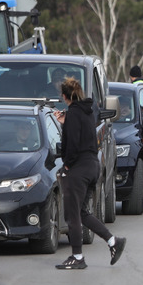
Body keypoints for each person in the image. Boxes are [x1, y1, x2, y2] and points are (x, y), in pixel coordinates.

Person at [54, 77, 126, 269]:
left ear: (64, 96)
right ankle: (113, 242)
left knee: (72, 215)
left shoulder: (73, 114)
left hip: (79, 169)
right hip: (93, 165)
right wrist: (65, 122)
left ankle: (77, 257)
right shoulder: (86, 112)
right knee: (83, 213)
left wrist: (67, 164)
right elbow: (83, 137)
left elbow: (72, 145)